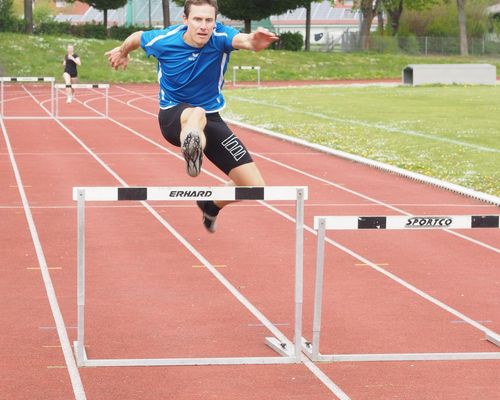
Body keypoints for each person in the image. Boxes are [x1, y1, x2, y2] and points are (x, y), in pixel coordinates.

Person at [105, 0, 278, 233]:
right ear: (185, 20)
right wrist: (123, 51)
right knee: (196, 113)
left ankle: (211, 204)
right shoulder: (164, 40)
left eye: (209, 20)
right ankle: (191, 150)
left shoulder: (220, 37)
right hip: (173, 116)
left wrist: (255, 42)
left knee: (255, 186)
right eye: (198, 19)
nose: (204, 26)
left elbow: (245, 40)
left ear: (215, 22)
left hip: (211, 118)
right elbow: (137, 37)